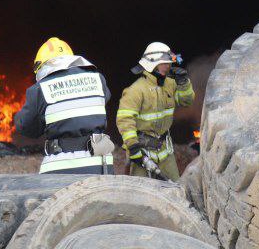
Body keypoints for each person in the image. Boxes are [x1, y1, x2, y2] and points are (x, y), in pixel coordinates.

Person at [13, 37, 115, 175]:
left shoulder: (40, 89)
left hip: (62, 167)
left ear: (42, 66)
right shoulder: (98, 79)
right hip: (101, 164)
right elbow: (102, 101)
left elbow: (26, 127)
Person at [116, 42, 194, 181]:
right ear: (152, 64)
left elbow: (186, 101)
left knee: (175, 189)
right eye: (164, 63)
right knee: (140, 194)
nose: (168, 66)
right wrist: (133, 147)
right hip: (142, 151)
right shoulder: (136, 90)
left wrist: (184, 83)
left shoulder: (171, 84)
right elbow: (124, 119)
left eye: (169, 63)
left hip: (165, 152)